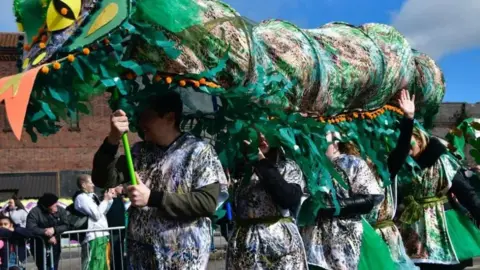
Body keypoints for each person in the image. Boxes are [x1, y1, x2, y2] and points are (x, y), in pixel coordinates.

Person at [91, 91, 229, 269]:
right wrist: (112, 140)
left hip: (181, 256)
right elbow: (103, 180)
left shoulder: (199, 151)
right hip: (141, 255)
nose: (141, 123)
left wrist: (152, 198)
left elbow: (206, 202)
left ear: (170, 118)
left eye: (147, 116)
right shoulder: (139, 152)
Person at [338, 89, 418, 269]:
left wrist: (408, 118)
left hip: (384, 238)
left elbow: (402, 150)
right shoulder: (341, 170)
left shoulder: (384, 170)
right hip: (357, 237)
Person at [397, 117, 480, 269]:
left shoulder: (442, 161)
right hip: (412, 233)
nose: (406, 148)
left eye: (409, 142)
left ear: (419, 138)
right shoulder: (401, 167)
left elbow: (466, 193)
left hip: (444, 227)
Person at [300, 131, 385, 270]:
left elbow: (371, 198)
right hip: (312, 240)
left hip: (343, 239)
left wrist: (335, 206)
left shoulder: (352, 163)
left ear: (335, 138)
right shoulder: (307, 165)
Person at [225, 133, 308, 269]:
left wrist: (261, 162)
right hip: (245, 247)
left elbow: (288, 199)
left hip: (281, 247)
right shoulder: (240, 171)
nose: (262, 136)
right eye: (256, 133)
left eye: (266, 131)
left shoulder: (287, 167)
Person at [74, 174, 114, 270]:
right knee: (93, 265)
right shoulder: (81, 198)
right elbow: (96, 215)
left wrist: (109, 200)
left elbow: (102, 213)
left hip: (102, 234)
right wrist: (104, 200)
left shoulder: (92, 196)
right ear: (83, 185)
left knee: (103, 264)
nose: (93, 185)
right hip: (93, 237)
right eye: (91, 183)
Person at [26, 193, 69, 270]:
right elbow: (30, 228)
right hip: (38, 244)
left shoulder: (60, 210)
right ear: (48, 205)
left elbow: (66, 225)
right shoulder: (35, 212)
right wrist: (46, 233)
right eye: (54, 204)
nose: (57, 206)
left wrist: (54, 230)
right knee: (42, 267)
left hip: (55, 243)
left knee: (54, 266)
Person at [106, 185, 127, 270]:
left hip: (120, 232)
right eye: (120, 186)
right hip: (113, 232)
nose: (122, 187)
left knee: (119, 253)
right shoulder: (109, 201)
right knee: (114, 254)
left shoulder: (120, 200)